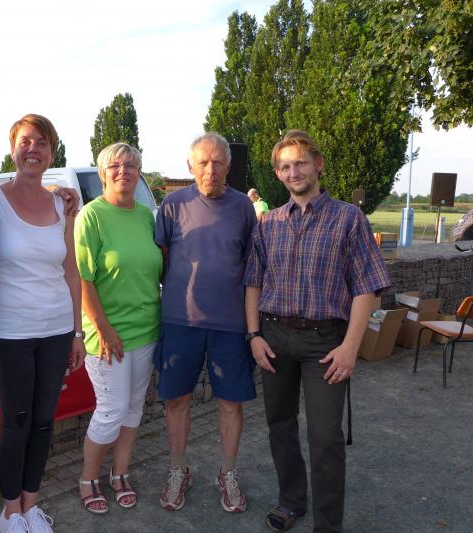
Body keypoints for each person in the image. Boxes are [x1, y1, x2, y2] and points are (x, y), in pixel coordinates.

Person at [244, 130, 390, 532]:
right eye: (285, 166)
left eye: (301, 163)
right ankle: (291, 501)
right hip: (274, 337)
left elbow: (367, 288)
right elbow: (253, 282)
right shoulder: (268, 223)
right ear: (278, 174)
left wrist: (350, 347)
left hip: (326, 343)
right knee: (280, 425)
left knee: (325, 437)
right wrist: (254, 336)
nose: (294, 172)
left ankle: (328, 525)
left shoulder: (348, 219)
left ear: (318, 165)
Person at [0, 113, 86, 533]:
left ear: (52, 152)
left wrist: (78, 333)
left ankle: (31, 506)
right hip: (10, 331)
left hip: (57, 329)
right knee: (17, 422)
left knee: (44, 421)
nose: (33, 149)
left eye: (42, 143)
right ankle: (9, 512)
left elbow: (71, 272)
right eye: (25, 141)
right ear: (13, 149)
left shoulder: (63, 204)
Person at [155, 133, 257, 513]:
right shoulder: (172, 205)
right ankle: (178, 470)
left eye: (217, 162)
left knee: (231, 403)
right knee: (176, 399)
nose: (210, 169)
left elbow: (251, 265)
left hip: (230, 324)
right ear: (190, 166)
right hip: (180, 322)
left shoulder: (244, 208)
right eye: (202, 162)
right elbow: (162, 260)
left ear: (228, 166)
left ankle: (227, 473)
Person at [75, 143, 162, 514]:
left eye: (130, 165)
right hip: (107, 335)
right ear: (102, 173)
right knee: (110, 411)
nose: (123, 171)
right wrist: (103, 328)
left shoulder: (146, 216)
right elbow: (82, 279)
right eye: (115, 165)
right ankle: (88, 478)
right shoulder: (91, 216)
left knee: (133, 408)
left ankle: (120, 473)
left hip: (147, 329)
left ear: (139, 172)